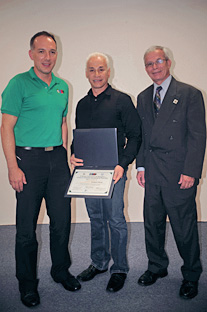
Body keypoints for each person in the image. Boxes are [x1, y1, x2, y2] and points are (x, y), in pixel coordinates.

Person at [1, 31, 81, 308]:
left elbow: (62, 122)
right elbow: (6, 127)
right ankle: (27, 283)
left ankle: (60, 271)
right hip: (28, 161)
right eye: (42, 51)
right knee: (26, 228)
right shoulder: (18, 84)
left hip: (57, 160)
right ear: (31, 54)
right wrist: (12, 166)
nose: (48, 57)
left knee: (62, 222)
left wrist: (66, 152)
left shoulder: (63, 86)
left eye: (52, 51)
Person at [136, 45, 206, 299]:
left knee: (184, 227)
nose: (154, 67)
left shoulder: (189, 94)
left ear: (168, 62)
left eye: (158, 62)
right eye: (149, 64)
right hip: (153, 172)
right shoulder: (143, 97)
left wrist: (191, 171)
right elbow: (144, 136)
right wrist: (141, 165)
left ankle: (191, 275)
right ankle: (156, 267)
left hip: (179, 174)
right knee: (152, 225)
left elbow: (198, 137)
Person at [70, 52, 142, 292]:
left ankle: (119, 268)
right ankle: (99, 262)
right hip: (88, 173)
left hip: (114, 172)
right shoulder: (81, 104)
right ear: (86, 73)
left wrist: (122, 164)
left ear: (108, 72)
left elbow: (135, 136)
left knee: (116, 220)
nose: (96, 74)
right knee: (96, 218)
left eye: (101, 69)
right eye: (92, 70)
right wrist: (73, 152)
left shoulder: (122, 100)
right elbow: (79, 136)